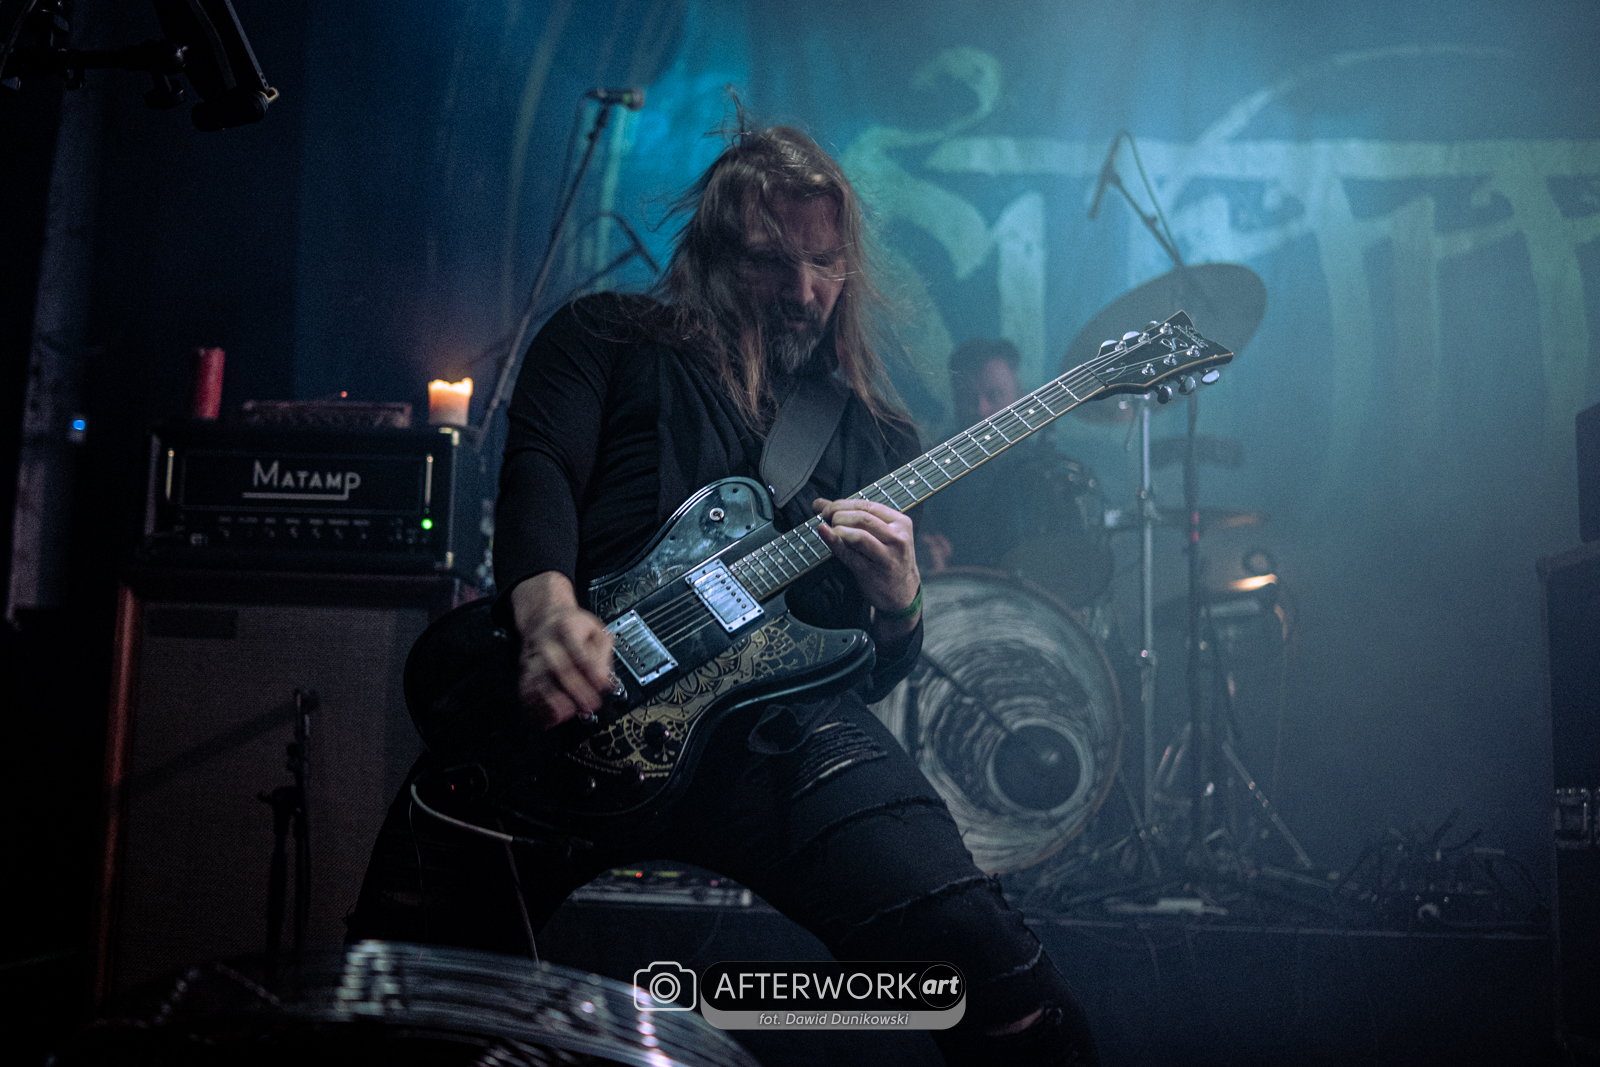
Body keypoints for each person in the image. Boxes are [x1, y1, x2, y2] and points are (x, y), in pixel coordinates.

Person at [348, 121, 1098, 1066]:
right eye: (770, 261)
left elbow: (872, 668)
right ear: (709, 255)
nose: (804, 291)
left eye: (825, 264)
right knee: (406, 1000)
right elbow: (540, 470)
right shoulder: (604, 336)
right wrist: (547, 614)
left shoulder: (873, 438)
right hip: (568, 709)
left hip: (776, 740)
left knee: (1001, 977)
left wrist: (900, 604)